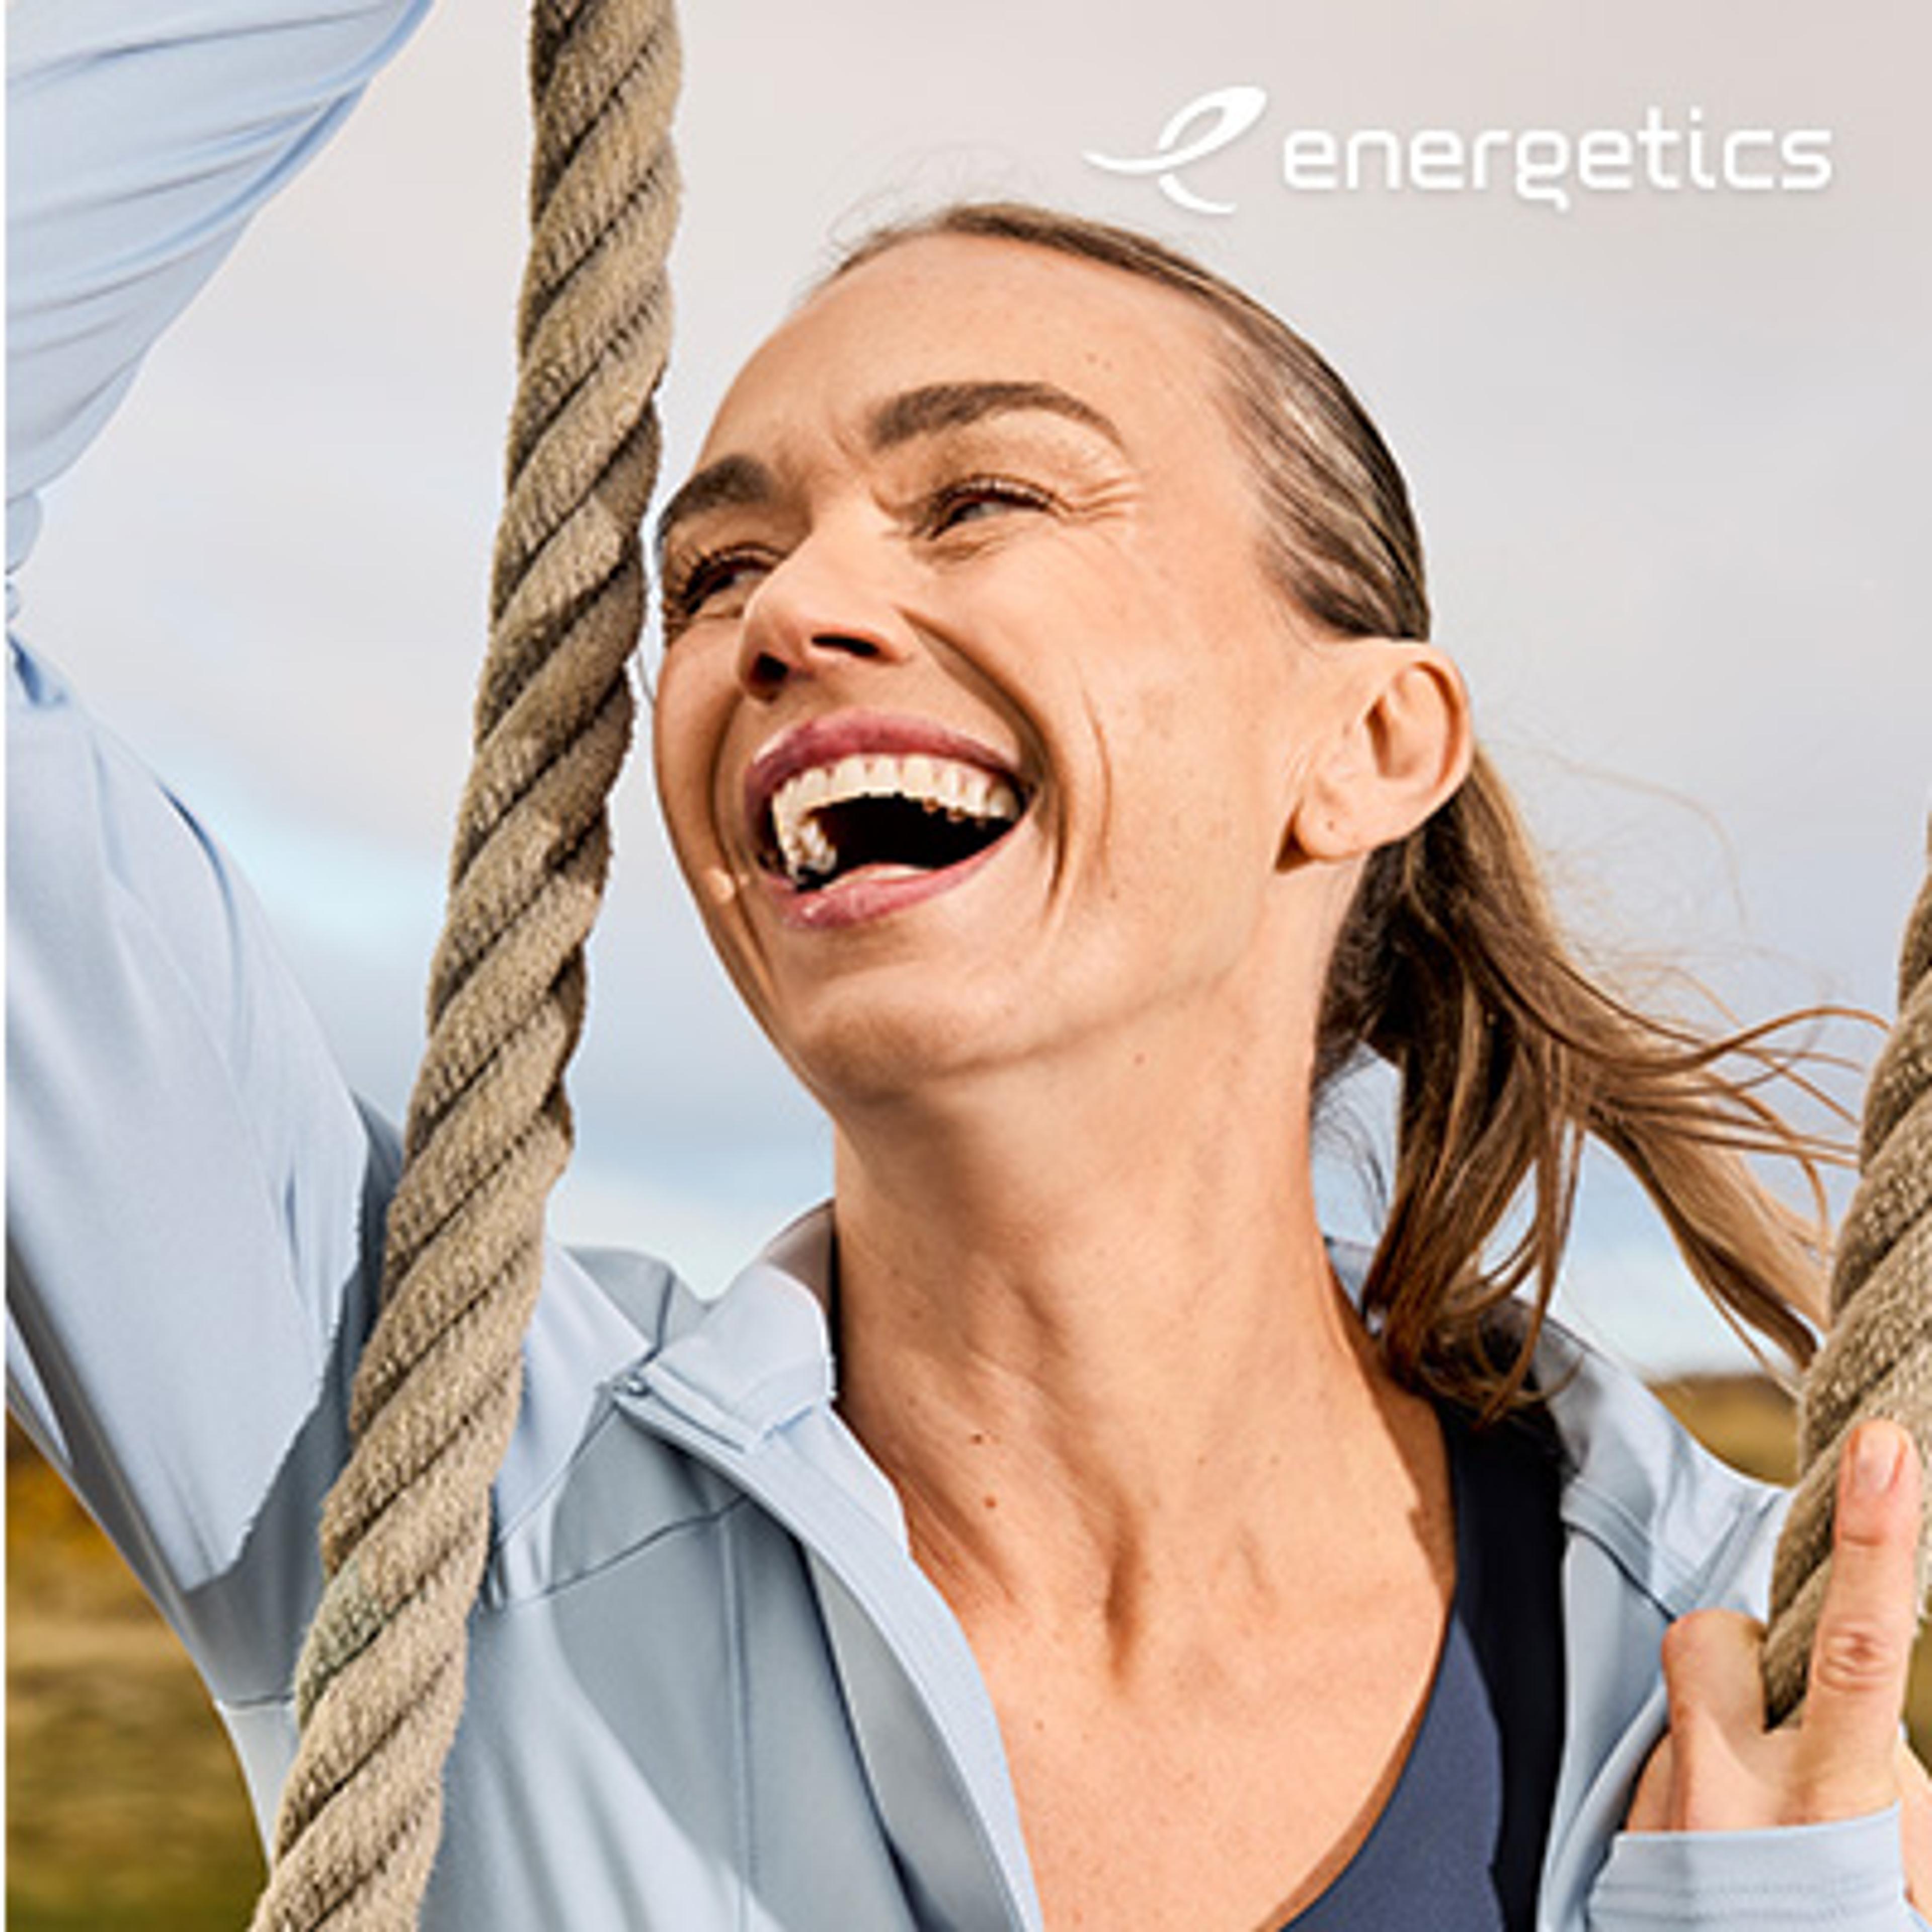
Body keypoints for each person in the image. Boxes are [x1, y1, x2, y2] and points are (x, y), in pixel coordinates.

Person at [8, 3, 1929, 1927]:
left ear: (1366, 745)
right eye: (715, 574)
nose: (792, 611)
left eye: (983, 499)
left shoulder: (1747, 1698)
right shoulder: (423, 1475)